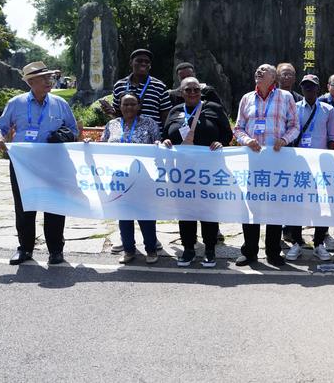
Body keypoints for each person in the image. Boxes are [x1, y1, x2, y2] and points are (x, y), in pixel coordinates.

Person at [0, 61, 77, 266]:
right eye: (43, 78)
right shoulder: (16, 103)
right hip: (23, 165)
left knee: (54, 205)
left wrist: (64, 135)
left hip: (53, 164)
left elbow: (73, 130)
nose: (49, 81)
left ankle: (56, 250)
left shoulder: (60, 104)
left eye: (49, 77)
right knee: (24, 207)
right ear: (31, 82)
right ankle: (25, 249)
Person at [161, 76, 233, 268]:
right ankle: (188, 249)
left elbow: (227, 133)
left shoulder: (213, 108)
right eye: (188, 90)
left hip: (209, 171)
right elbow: (166, 135)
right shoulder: (175, 111)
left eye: (196, 90)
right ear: (181, 92)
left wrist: (220, 142)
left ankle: (209, 250)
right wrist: (166, 141)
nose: (192, 93)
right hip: (182, 171)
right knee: (186, 211)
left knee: (208, 210)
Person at [232, 64, 300, 267]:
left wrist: (284, 140)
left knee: (274, 207)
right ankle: (249, 251)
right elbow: (238, 128)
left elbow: (295, 126)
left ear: (274, 77)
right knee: (251, 207)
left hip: (277, 162)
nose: (259, 72)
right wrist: (246, 140)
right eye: (258, 70)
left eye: (264, 70)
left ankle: (273, 252)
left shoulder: (285, 97)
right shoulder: (247, 98)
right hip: (252, 162)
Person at [99, 93, 162, 264]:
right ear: (119, 107)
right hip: (118, 178)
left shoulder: (149, 123)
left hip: (143, 177)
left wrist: (158, 145)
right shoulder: (112, 124)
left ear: (139, 106)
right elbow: (102, 146)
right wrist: (89, 144)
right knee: (124, 215)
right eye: (125, 104)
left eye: (133, 104)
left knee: (146, 215)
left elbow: (158, 144)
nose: (129, 107)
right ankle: (128, 250)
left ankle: (151, 250)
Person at [283, 74, 334, 262]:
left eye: (312, 86)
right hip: (299, 164)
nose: (309, 89)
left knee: (322, 204)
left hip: (321, 164)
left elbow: (332, 138)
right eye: (305, 86)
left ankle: (319, 243)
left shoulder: (328, 110)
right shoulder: (294, 108)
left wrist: (330, 162)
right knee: (297, 203)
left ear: (318, 88)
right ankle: (297, 242)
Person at [103, 49, 171, 128]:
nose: (143, 64)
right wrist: (111, 112)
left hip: (152, 134)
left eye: (147, 62)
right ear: (131, 63)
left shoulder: (159, 86)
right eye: (139, 61)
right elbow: (118, 114)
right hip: (126, 134)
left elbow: (166, 116)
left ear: (150, 65)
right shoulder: (119, 85)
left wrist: (166, 135)